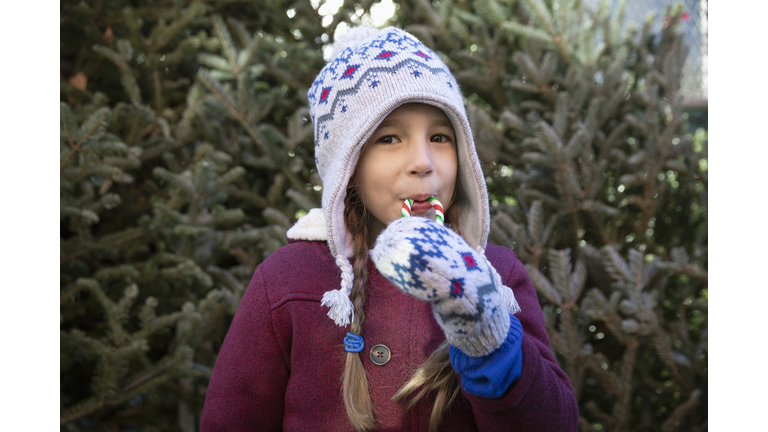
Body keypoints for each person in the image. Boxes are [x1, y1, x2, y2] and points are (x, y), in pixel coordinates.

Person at [200, 26, 578, 431]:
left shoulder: (496, 275)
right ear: (349, 165)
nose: (422, 161)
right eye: (390, 138)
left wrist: (491, 340)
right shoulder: (287, 281)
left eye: (439, 136)